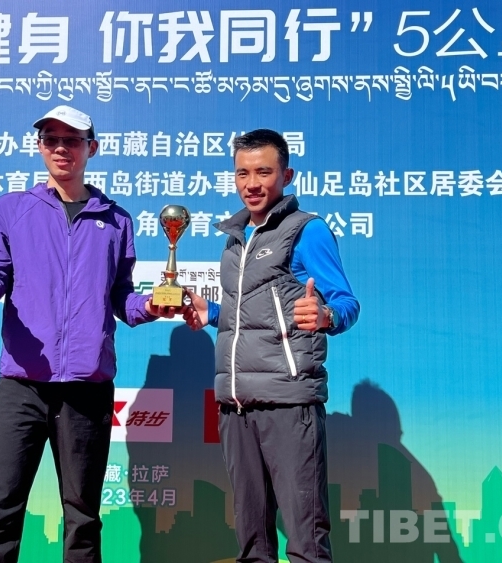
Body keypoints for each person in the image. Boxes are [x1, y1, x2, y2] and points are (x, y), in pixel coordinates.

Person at [0, 105, 174, 563]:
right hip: (22, 385)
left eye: (73, 140)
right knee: (0, 512)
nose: (62, 148)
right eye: (52, 139)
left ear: (91, 148)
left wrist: (149, 307)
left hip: (87, 389)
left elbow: (121, 296)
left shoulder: (116, 220)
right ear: (40, 147)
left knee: (82, 517)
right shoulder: (11, 209)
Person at [183, 129, 360, 563]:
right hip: (236, 406)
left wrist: (326, 316)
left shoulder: (307, 231)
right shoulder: (234, 239)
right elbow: (253, 316)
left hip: (289, 402)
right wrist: (212, 314)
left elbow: (346, 303)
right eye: (242, 173)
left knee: (305, 539)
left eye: (263, 172)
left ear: (286, 175)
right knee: (252, 544)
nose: (252, 183)